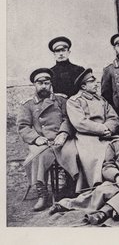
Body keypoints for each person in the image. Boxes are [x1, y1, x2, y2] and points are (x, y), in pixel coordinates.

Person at [48, 110, 119, 215]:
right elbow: (108, 166)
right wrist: (118, 178)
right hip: (118, 180)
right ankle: (67, 204)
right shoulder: (115, 144)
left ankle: (104, 212)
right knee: (101, 191)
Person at [17, 68, 79, 211]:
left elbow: (68, 119)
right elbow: (23, 127)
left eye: (46, 82)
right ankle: (42, 193)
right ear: (34, 85)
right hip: (41, 141)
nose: (44, 86)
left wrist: (63, 133)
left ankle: (72, 187)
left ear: (51, 83)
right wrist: (36, 138)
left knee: (73, 152)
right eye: (40, 83)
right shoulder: (27, 105)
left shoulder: (61, 99)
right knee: (40, 155)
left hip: (61, 140)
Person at [66, 68, 119, 192]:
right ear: (83, 86)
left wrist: (109, 129)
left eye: (95, 81)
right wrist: (102, 129)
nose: (96, 84)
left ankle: (118, 180)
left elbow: (113, 117)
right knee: (97, 153)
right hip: (86, 136)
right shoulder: (74, 101)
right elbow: (80, 123)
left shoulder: (101, 100)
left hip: (107, 134)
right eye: (91, 81)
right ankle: (96, 185)